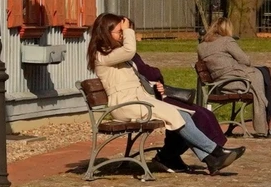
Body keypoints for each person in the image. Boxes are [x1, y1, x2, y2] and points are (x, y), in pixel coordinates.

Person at [88, 13, 243, 174]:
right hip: (125, 105)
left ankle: (212, 159)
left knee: (185, 114)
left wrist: (154, 86)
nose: (123, 35)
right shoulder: (102, 55)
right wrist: (128, 31)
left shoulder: (117, 55)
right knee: (175, 114)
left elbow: (137, 77)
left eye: (123, 32)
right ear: (106, 32)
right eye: (119, 32)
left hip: (139, 100)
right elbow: (129, 50)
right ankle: (215, 153)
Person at [197, 18, 271, 135]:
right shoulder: (227, 41)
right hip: (238, 82)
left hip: (219, 84)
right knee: (266, 74)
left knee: (266, 72)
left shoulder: (201, 47)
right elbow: (246, 60)